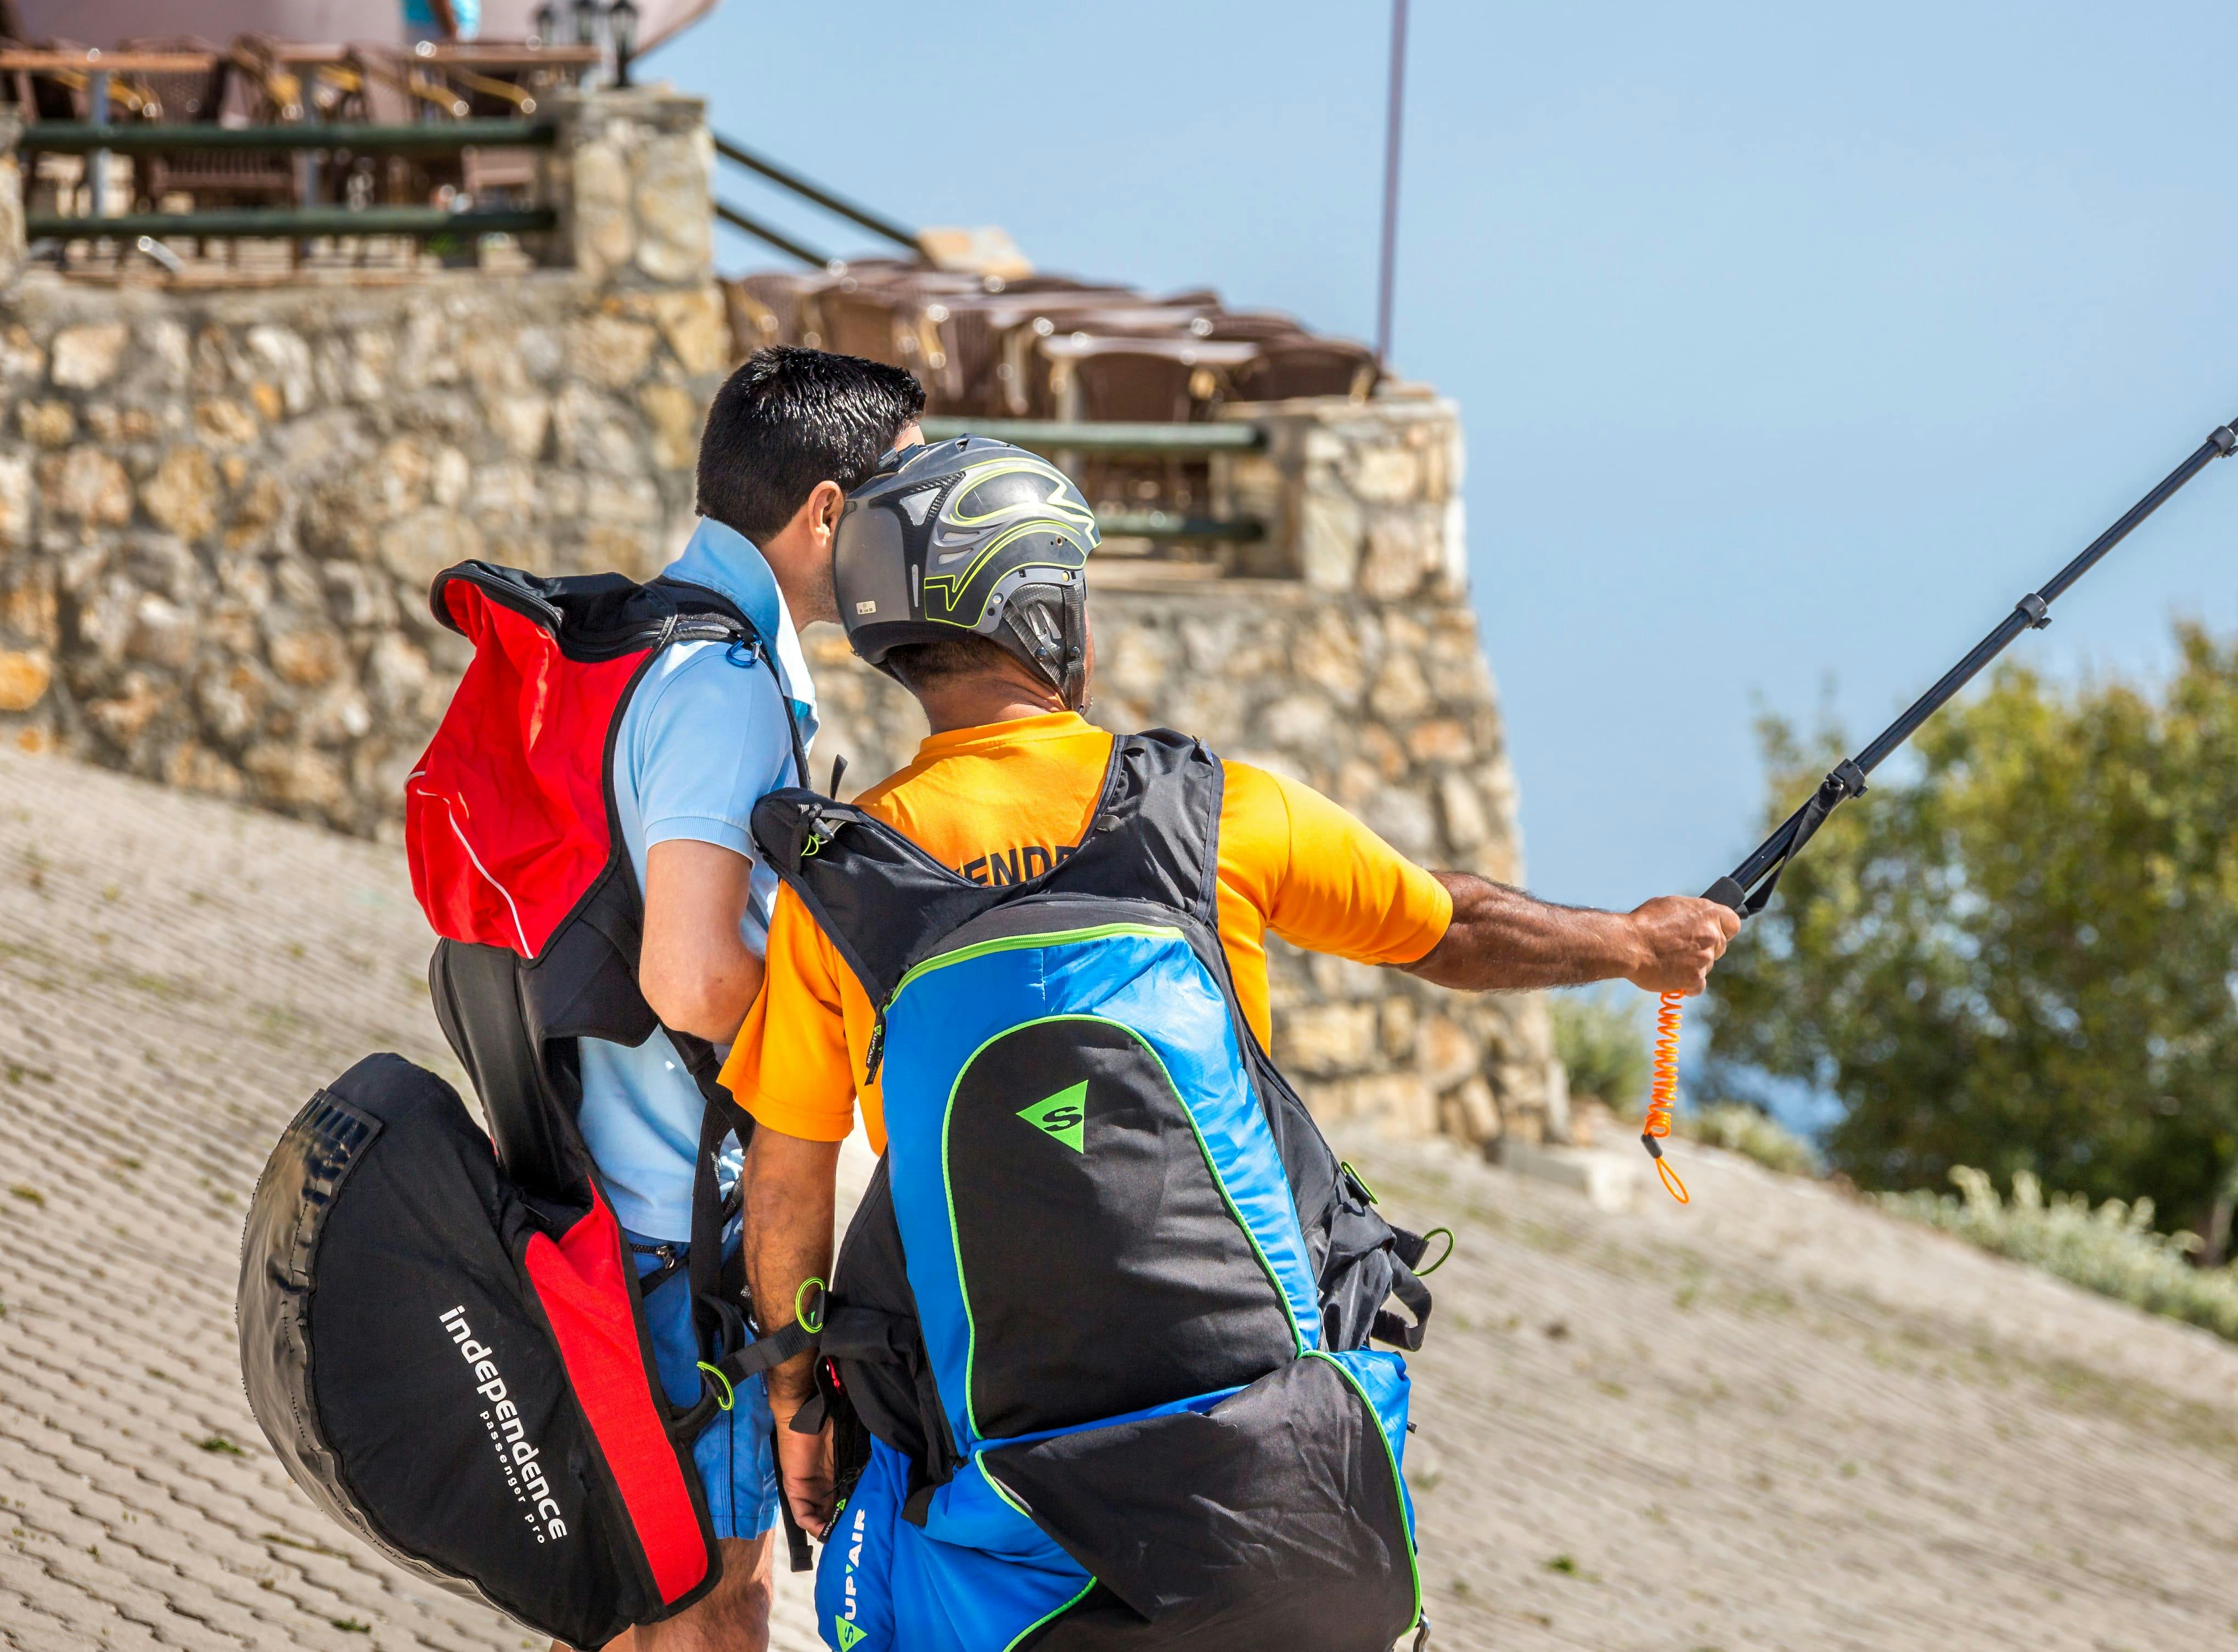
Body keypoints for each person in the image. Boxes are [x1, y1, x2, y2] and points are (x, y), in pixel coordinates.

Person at [722, 438, 1740, 1645]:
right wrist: (1632, 942)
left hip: (999, 1472)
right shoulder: (1210, 813)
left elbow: (787, 1185)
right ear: (1049, 613)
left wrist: (797, 1392)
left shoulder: (848, 885)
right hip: (1261, 1471)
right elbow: (1452, 926)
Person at [567, 347, 925, 1652]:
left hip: (608, 1194)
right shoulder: (720, 691)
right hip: (682, 1240)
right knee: (719, 1593)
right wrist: (851, 1043)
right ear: (829, 512)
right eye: (905, 496)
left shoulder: (645, 635)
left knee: (619, 1589)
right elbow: (691, 971)